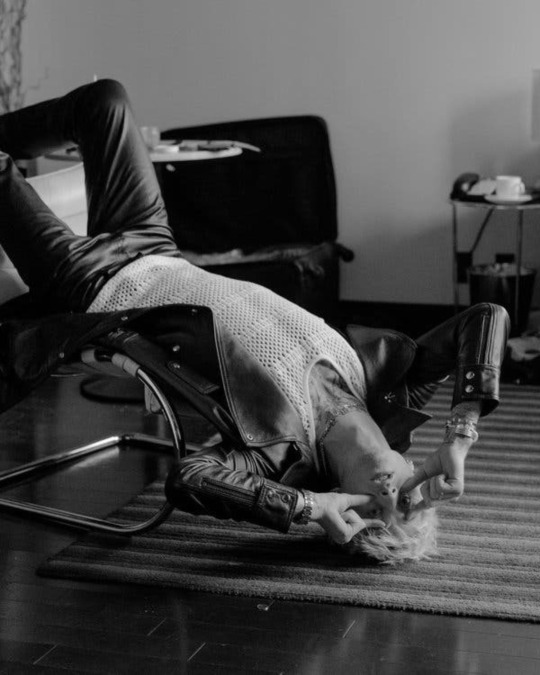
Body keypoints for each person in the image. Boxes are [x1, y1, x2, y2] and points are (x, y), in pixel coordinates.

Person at [0, 80, 510, 564]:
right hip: (156, 247)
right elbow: (486, 316)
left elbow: (188, 478)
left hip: (92, 284)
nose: (390, 494)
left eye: (375, 514)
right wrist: (461, 434)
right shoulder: (388, 386)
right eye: (408, 501)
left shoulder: (279, 456)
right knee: (105, 101)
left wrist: (307, 508)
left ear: (344, 506)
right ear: (414, 468)